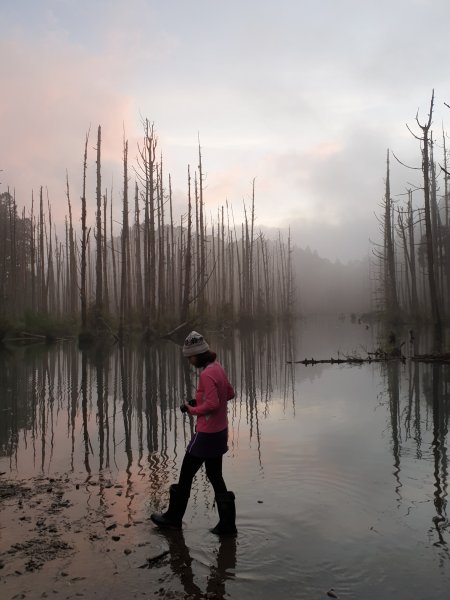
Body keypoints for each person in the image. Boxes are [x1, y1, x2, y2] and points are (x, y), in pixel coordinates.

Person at [151, 331, 237, 535]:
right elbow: (230, 393)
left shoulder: (206, 374)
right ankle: (227, 526)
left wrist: (193, 410)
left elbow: (214, 404)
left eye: (190, 357)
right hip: (220, 432)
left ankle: (173, 519)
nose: (189, 361)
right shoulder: (218, 368)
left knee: (186, 474)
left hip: (206, 434)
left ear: (198, 355)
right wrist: (200, 402)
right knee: (215, 475)